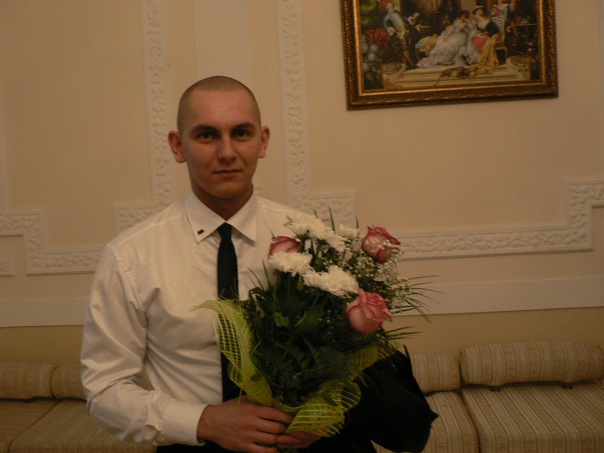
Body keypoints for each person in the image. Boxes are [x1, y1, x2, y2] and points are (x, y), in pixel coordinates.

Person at [81, 76, 436, 453]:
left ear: (263, 141)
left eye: (241, 133)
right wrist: (204, 421)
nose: (227, 152)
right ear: (177, 145)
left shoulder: (313, 240)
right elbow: (104, 391)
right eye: (206, 135)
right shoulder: (130, 257)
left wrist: (327, 417)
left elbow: (350, 362)